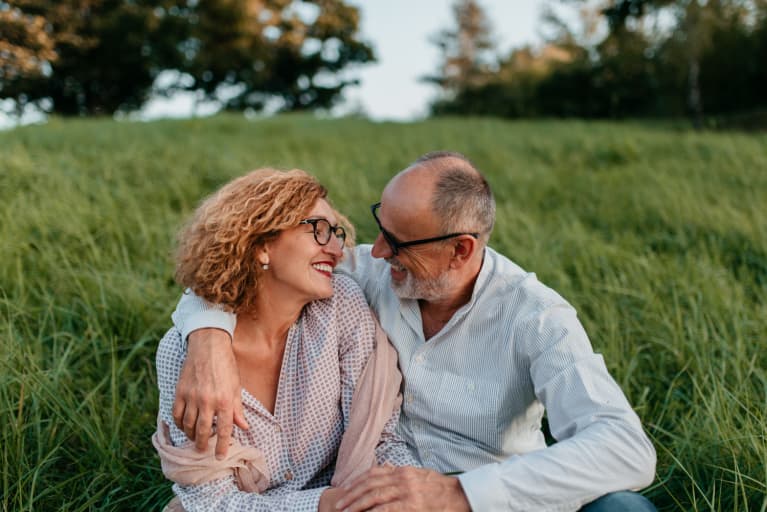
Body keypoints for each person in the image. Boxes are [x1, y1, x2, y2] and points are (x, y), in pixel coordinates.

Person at [171, 153, 658, 511]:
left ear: (461, 251)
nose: (375, 252)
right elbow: (241, 271)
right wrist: (208, 336)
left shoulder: (536, 317)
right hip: (379, 488)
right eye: (379, 226)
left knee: (625, 511)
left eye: (399, 242)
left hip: (488, 497)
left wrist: (458, 494)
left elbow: (625, 447)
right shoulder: (363, 275)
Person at [153, 168, 417, 512]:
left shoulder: (341, 307)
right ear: (262, 245)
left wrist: (401, 491)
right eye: (319, 231)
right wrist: (325, 505)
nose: (338, 250)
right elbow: (211, 501)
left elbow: (381, 439)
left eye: (336, 233)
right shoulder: (183, 353)